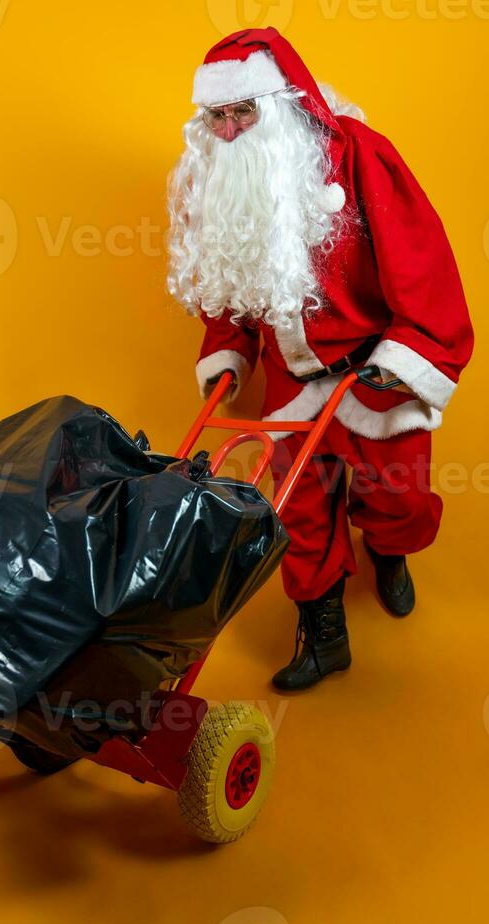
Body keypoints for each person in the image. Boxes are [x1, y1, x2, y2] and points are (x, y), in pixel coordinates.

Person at [166, 27, 473, 691]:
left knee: (401, 502)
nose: (228, 131)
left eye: (242, 112)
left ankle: (390, 552)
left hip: (375, 371)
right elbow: (230, 286)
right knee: (298, 514)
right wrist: (226, 352)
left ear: (280, 104)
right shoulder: (220, 178)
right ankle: (324, 632)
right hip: (292, 380)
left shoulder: (362, 156)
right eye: (216, 116)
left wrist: (408, 355)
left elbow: (425, 267)